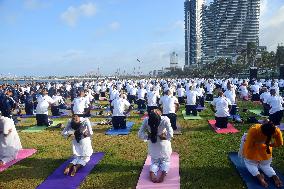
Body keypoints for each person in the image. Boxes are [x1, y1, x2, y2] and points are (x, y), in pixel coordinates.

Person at [242, 122, 283, 188]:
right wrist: (270, 145)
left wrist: (244, 153)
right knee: (266, 165)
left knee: (250, 164)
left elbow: (249, 145)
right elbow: (280, 143)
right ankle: (275, 176)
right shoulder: (276, 130)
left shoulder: (254, 129)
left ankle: (259, 176)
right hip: (266, 153)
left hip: (252, 153)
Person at [138, 109, 173, 183]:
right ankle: (164, 172)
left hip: (153, 145)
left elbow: (140, 134)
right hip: (164, 146)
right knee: (165, 161)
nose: (154, 110)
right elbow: (170, 134)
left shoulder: (146, 120)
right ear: (160, 114)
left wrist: (148, 137)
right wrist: (165, 137)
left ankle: (152, 171)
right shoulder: (165, 119)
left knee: (154, 162)